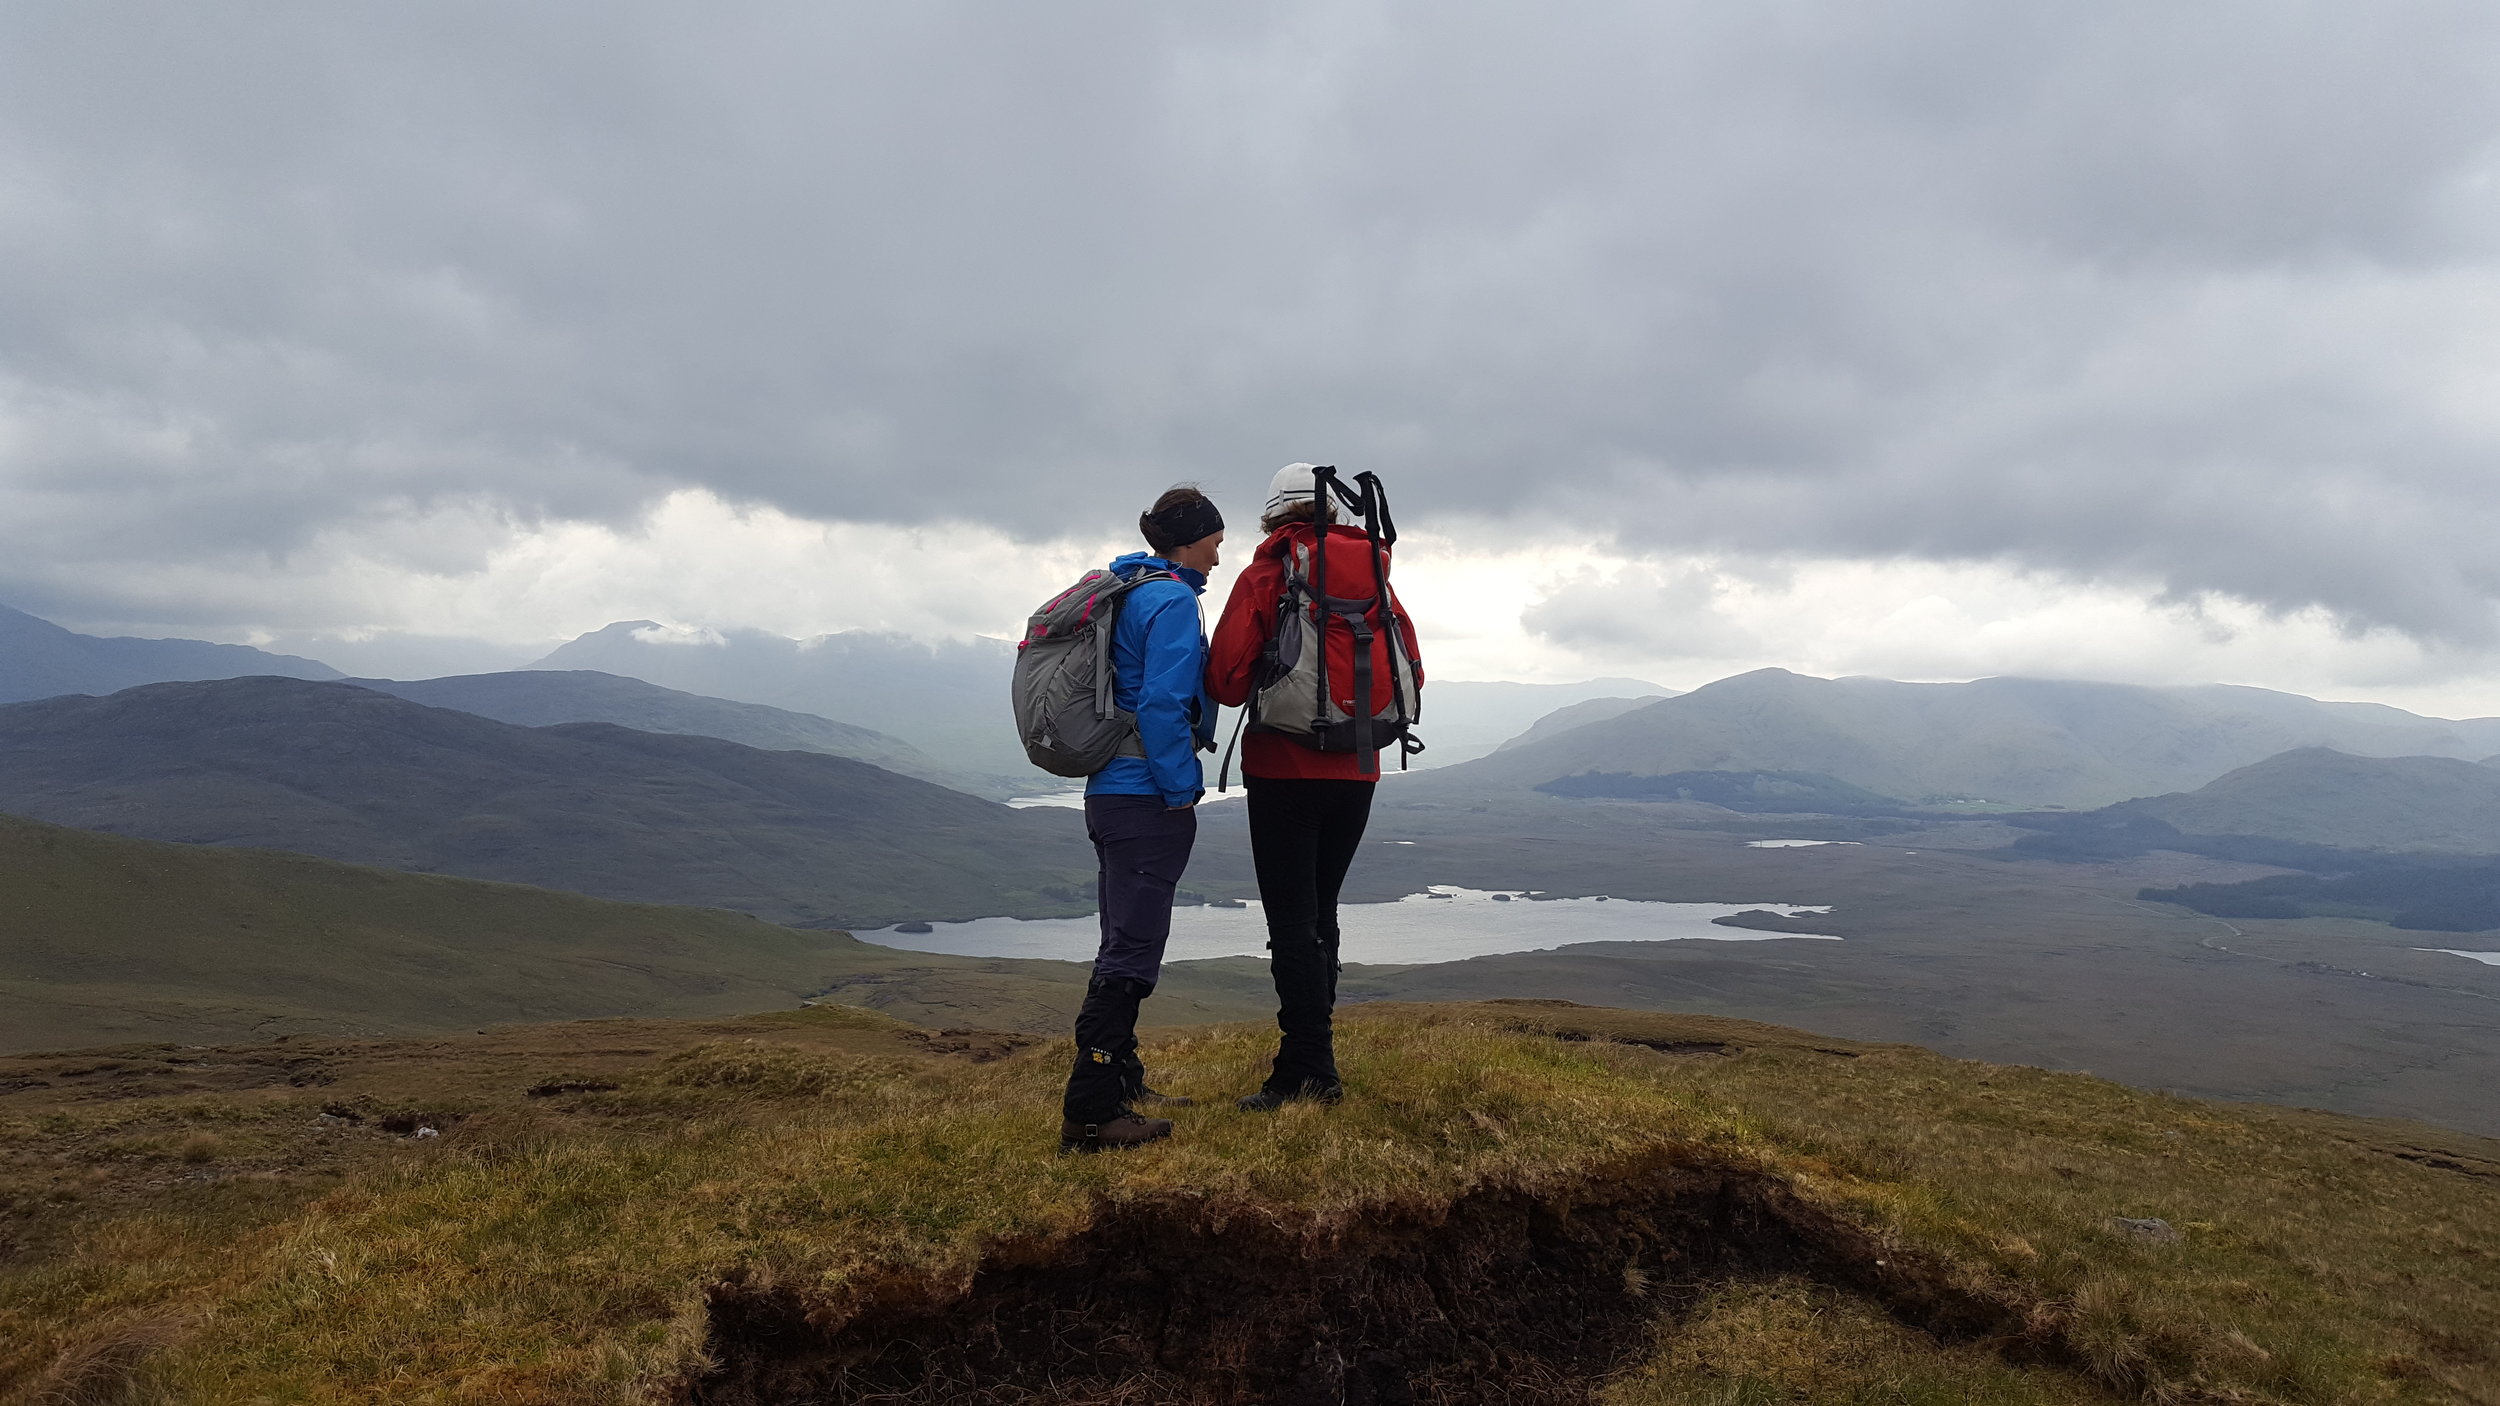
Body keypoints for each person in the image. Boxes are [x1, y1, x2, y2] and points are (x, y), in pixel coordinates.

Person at [1206, 464, 1422, 1111]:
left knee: (1292, 924)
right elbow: (1411, 666)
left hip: (1281, 771)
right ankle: (1310, 1059)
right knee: (1321, 913)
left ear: (1275, 514)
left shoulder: (1267, 576)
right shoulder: (1375, 576)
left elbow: (1225, 681)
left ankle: (1308, 1070)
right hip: (1359, 773)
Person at [1058, 485, 1225, 1153]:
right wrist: (1182, 788)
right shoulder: (1173, 601)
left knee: (1118, 941)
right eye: (1215, 539)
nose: (1220, 553)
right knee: (1131, 953)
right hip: (1145, 799)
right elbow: (1162, 703)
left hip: (1109, 793)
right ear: (1190, 539)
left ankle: (1122, 1082)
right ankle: (1092, 1115)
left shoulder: (1133, 588)